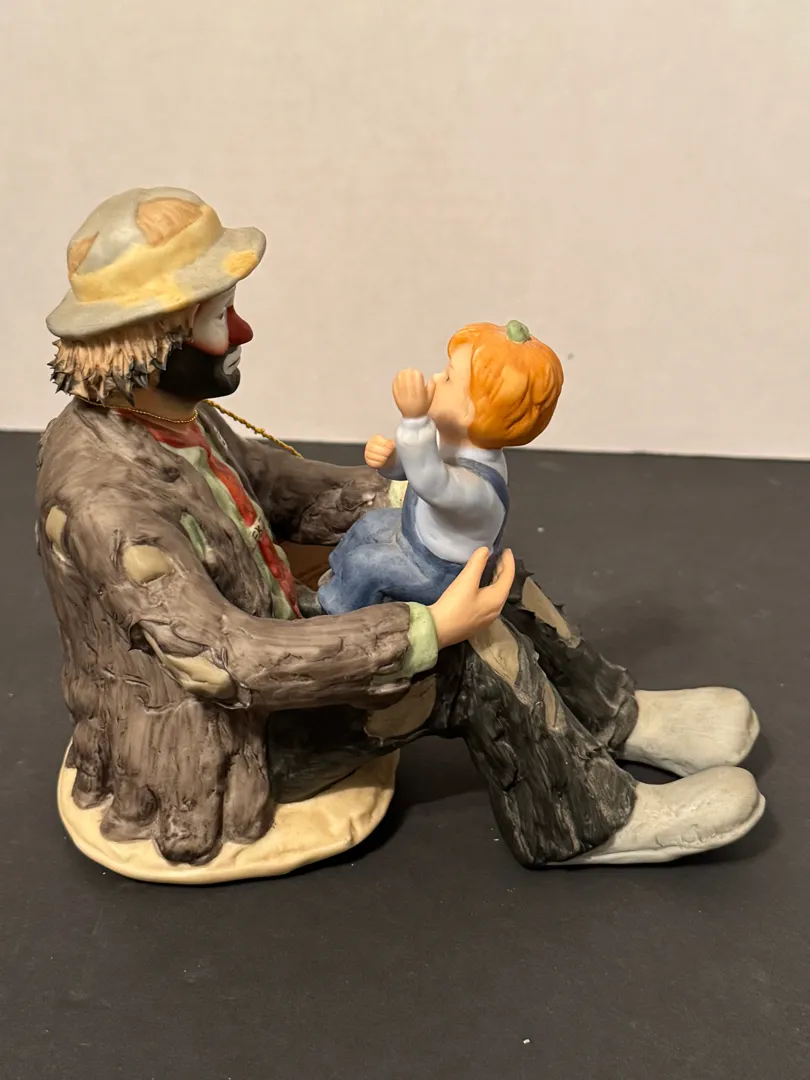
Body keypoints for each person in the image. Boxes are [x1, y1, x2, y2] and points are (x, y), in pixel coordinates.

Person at [37, 186, 765, 882]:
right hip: (241, 734)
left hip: (283, 628)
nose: (243, 330)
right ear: (151, 342)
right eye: (219, 315)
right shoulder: (104, 503)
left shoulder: (162, 415)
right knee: (468, 656)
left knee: (484, 571)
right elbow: (228, 659)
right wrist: (428, 630)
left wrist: (418, 503)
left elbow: (271, 482)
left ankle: (612, 717)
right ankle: (583, 821)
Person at [317, 320, 563, 613]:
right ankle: (337, 581)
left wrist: (414, 420)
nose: (435, 377)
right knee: (369, 525)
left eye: (448, 378)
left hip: (441, 574)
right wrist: (390, 460)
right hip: (412, 538)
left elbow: (430, 481)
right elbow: (413, 469)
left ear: (475, 413)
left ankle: (334, 609)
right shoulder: (449, 439)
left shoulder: (479, 489)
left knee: (367, 564)